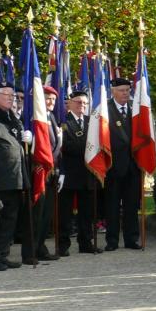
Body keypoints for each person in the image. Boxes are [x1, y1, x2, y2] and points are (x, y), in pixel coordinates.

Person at [24, 85, 64, 262]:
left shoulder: (52, 117)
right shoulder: (34, 119)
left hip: (52, 172)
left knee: (46, 214)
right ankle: (29, 252)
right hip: (39, 172)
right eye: (48, 98)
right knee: (36, 214)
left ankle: (40, 247)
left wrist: (60, 170)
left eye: (54, 99)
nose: (51, 102)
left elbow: (56, 147)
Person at [57, 88, 100, 255]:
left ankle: (85, 243)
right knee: (65, 212)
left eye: (84, 103)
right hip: (69, 173)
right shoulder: (63, 122)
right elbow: (65, 146)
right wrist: (87, 149)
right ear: (70, 104)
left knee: (87, 212)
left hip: (88, 173)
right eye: (78, 102)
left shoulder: (92, 121)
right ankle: (63, 244)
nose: (81, 105)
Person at [0, 82, 27, 270]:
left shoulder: (11, 116)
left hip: (13, 176)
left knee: (9, 216)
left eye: (12, 95)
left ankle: (2, 254)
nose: (11, 98)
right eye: (6, 94)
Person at [105, 76, 142, 250]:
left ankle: (131, 238)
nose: (125, 93)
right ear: (113, 92)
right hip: (113, 165)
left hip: (133, 166)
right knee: (112, 205)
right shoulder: (105, 109)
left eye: (128, 90)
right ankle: (112, 241)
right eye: (121, 90)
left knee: (131, 205)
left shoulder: (136, 109)